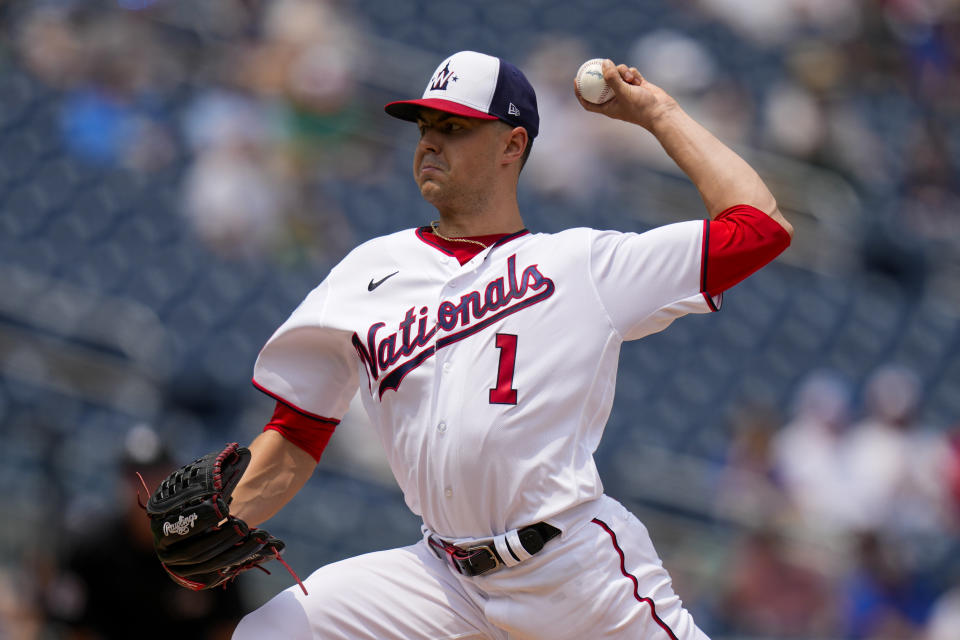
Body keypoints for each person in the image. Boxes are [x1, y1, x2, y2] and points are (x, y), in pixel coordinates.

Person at [222, 50, 793, 638]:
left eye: (454, 128)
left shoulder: (581, 265)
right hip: (440, 579)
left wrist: (657, 112)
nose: (429, 144)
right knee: (273, 631)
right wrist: (221, 519)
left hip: (570, 573)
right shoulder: (367, 271)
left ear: (512, 146)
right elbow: (297, 430)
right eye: (425, 128)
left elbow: (760, 228)